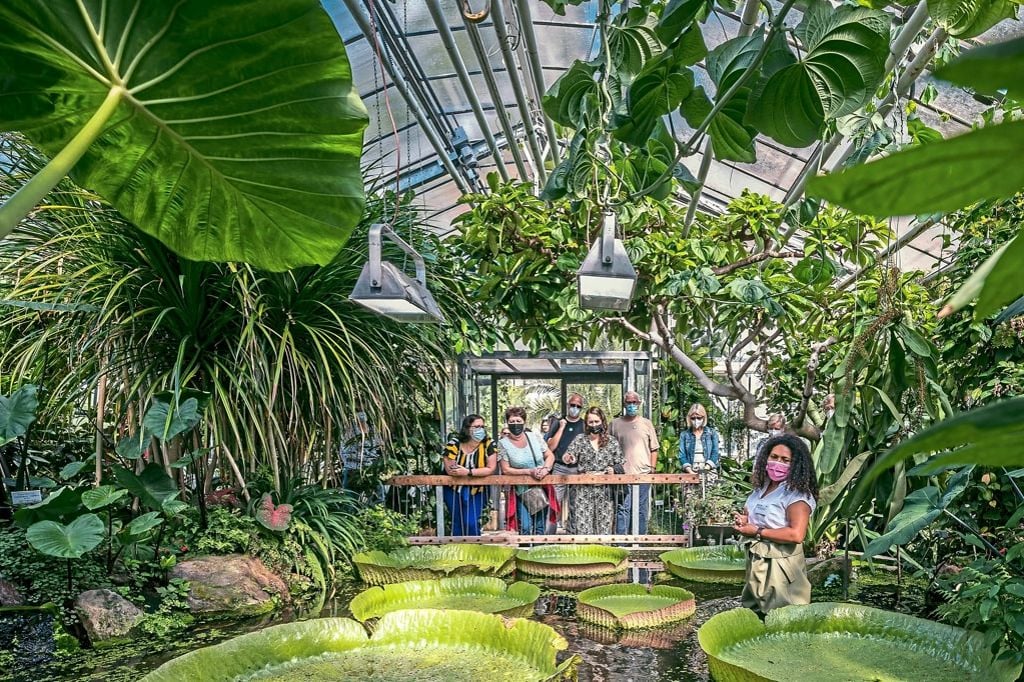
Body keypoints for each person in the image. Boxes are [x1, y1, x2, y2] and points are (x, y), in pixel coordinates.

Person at [733, 434, 819, 617]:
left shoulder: (796, 495)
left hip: (781, 563)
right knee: (755, 613)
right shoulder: (761, 488)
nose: (777, 463)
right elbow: (759, 518)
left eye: (785, 460)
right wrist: (745, 522)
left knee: (784, 616)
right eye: (774, 457)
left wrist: (757, 531)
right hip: (757, 559)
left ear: (796, 464)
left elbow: (796, 534)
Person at [562, 407, 624, 535]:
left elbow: (620, 462)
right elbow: (568, 455)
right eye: (591, 422)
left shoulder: (611, 441)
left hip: (605, 490)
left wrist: (613, 469)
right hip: (583, 490)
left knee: (604, 527)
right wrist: (569, 458)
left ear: (602, 421)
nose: (594, 425)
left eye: (596, 421)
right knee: (584, 527)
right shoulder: (580, 439)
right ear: (586, 423)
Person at [498, 406, 556, 534]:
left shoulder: (534, 437)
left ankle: (538, 552)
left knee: (539, 526)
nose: (515, 424)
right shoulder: (503, 443)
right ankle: (523, 552)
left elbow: (550, 455)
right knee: (524, 526)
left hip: (540, 487)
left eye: (518, 421)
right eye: (512, 422)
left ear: (524, 421)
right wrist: (529, 471)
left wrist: (545, 469)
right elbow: (506, 469)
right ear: (507, 423)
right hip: (520, 491)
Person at [610, 391, 660, 535]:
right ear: (624, 404)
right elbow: (607, 447)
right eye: (628, 402)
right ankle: (622, 542)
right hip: (622, 475)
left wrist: (652, 468)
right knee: (623, 508)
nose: (631, 405)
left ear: (639, 404)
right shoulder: (615, 424)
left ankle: (640, 540)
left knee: (641, 509)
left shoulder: (646, 423)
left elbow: (654, 448)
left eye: (634, 402)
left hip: (643, 474)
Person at [442, 414, 498, 537]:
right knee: (457, 521)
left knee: (471, 522)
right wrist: (469, 472)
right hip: (453, 489)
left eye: (482, 426)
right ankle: (458, 552)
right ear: (467, 428)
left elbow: (491, 468)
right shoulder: (454, 443)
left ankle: (474, 548)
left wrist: (468, 472)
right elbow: (451, 469)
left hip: (478, 489)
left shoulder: (489, 444)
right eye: (476, 426)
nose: (480, 429)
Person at [545, 392, 587, 532]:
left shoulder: (584, 425)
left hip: (577, 469)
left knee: (576, 504)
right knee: (554, 503)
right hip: (559, 468)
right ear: (568, 405)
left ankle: (573, 535)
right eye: (572, 405)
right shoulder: (558, 422)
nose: (574, 408)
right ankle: (548, 536)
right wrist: (562, 427)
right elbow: (550, 447)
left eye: (578, 406)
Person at [678, 403, 721, 473]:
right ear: (689, 418)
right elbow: (682, 455)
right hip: (690, 471)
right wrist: (690, 471)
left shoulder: (712, 433)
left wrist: (706, 469)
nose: (696, 421)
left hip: (708, 470)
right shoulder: (684, 435)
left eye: (699, 418)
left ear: (704, 418)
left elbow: (715, 453)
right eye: (693, 418)